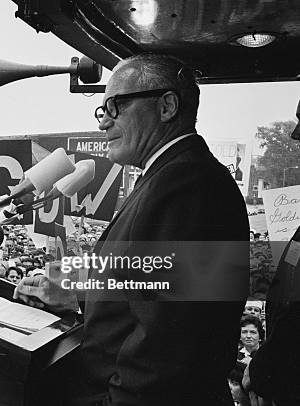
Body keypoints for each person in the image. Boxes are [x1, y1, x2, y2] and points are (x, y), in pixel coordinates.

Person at [14, 54, 248, 405]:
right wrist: (77, 295)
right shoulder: (176, 176)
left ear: (167, 105)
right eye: (102, 109)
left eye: (116, 106)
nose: (103, 123)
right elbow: (147, 284)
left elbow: (170, 343)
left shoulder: (185, 186)